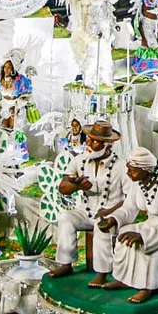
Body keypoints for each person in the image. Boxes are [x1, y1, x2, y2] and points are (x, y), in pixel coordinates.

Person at [101, 147, 158, 303]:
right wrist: (113, 218)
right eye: (128, 169)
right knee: (124, 234)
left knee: (145, 249)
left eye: (132, 171)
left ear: (146, 170)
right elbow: (129, 207)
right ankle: (123, 279)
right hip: (151, 225)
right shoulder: (139, 183)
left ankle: (147, 288)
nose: (128, 173)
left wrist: (144, 237)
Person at [49, 122, 127, 287]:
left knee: (102, 225)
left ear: (108, 145)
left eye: (95, 141)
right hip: (85, 211)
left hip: (110, 213)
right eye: (89, 139)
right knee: (66, 217)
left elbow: (129, 199)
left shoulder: (121, 166)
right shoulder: (79, 161)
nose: (89, 144)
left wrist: (110, 211)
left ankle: (102, 273)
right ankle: (66, 263)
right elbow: (63, 188)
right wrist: (76, 186)